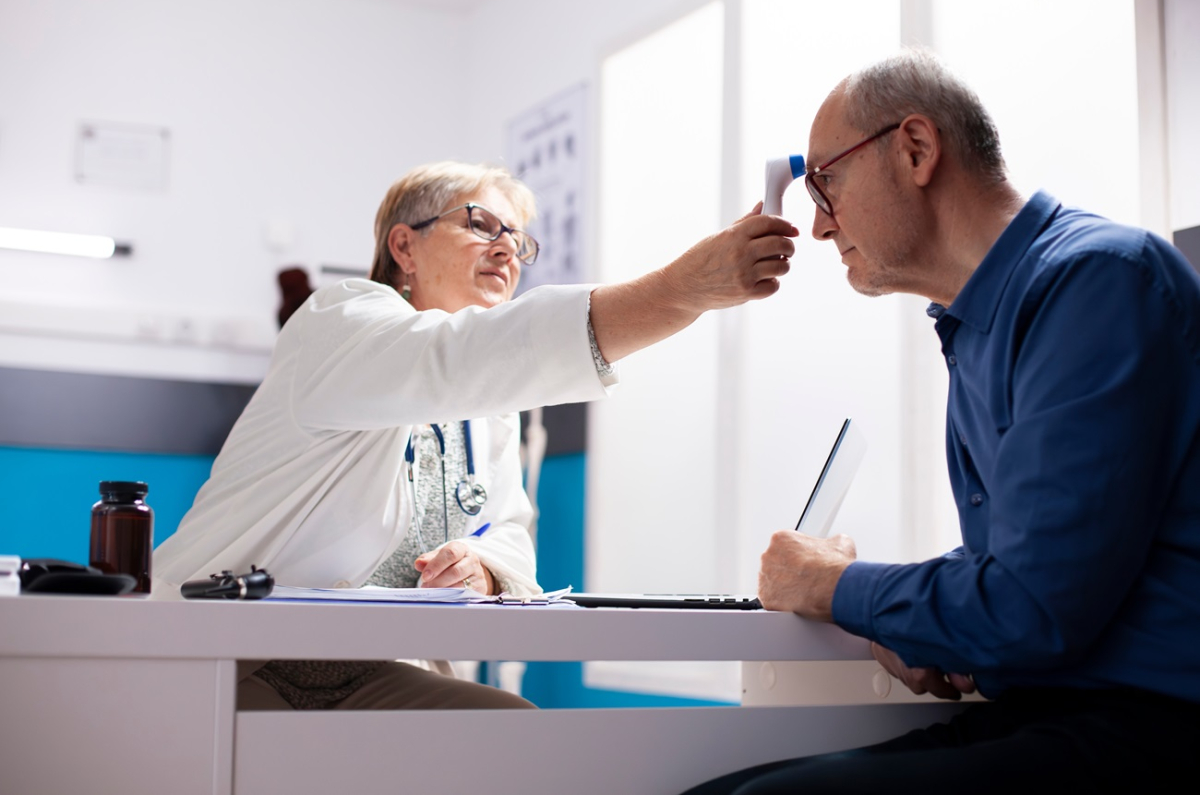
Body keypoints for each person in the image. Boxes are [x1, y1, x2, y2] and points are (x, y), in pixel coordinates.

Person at [686, 49, 1200, 794]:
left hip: (1152, 724)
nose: (819, 227)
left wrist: (839, 587)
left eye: (826, 183)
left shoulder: (1099, 281)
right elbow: (1030, 567)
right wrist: (916, 621)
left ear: (917, 149)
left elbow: (1032, 608)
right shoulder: (978, 326)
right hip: (1053, 709)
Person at [153, 160, 797, 711]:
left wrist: (483, 567)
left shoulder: (488, 408)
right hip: (235, 655)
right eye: (480, 225)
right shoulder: (340, 321)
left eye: (518, 239)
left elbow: (509, 528)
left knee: (513, 731)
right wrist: (683, 288)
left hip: (369, 665)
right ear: (404, 247)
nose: (507, 250)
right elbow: (458, 357)